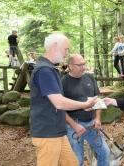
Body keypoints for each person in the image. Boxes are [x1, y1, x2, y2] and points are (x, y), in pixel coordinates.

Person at [29, 32, 97, 166]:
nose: (66, 53)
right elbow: (59, 102)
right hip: (47, 133)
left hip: (58, 132)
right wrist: (84, 104)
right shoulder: (44, 71)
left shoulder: (50, 69)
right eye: (65, 49)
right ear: (55, 46)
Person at [62, 54, 110, 166]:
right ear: (70, 66)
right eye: (80, 65)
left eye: (84, 64)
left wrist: (97, 119)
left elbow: (97, 100)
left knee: (105, 153)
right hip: (73, 126)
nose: (83, 67)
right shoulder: (63, 82)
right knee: (77, 161)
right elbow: (60, 109)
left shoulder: (90, 77)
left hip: (92, 124)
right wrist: (74, 125)